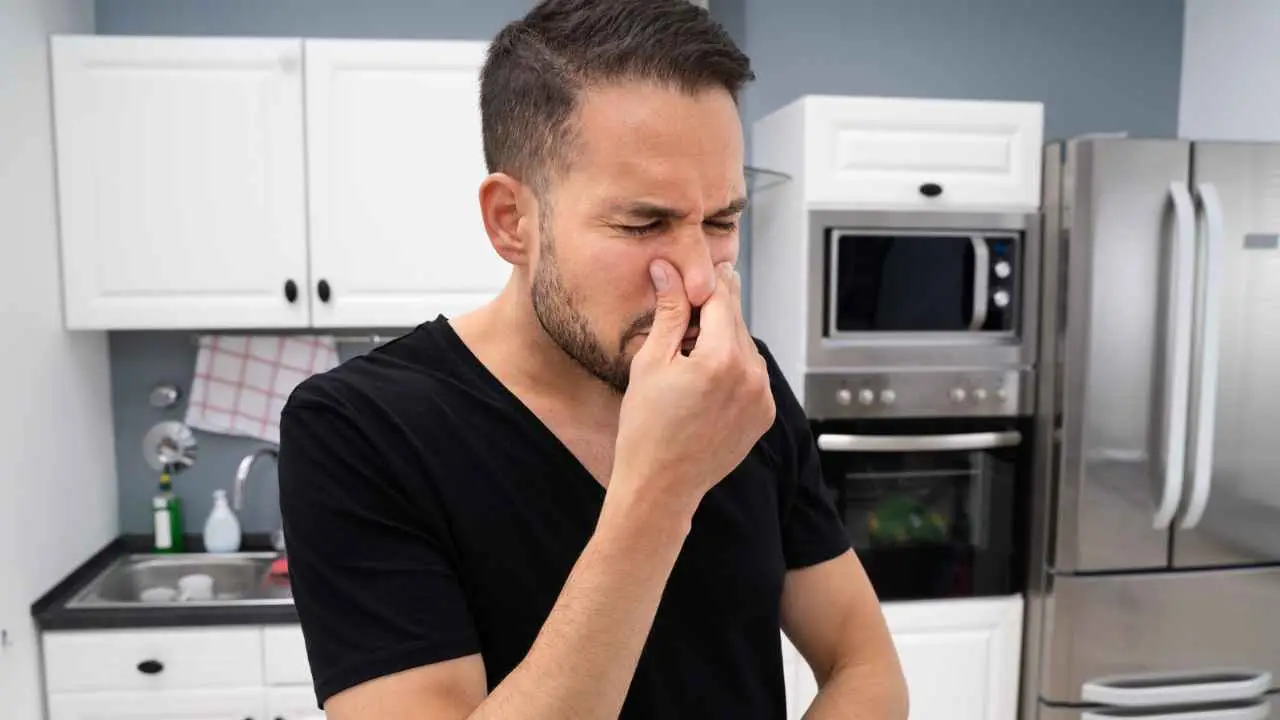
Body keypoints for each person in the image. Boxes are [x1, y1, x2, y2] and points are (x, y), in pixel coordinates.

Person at [277, 0, 908, 718]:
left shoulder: (739, 384)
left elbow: (866, 666)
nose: (699, 278)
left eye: (721, 220)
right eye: (644, 223)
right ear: (512, 222)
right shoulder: (359, 428)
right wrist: (663, 489)